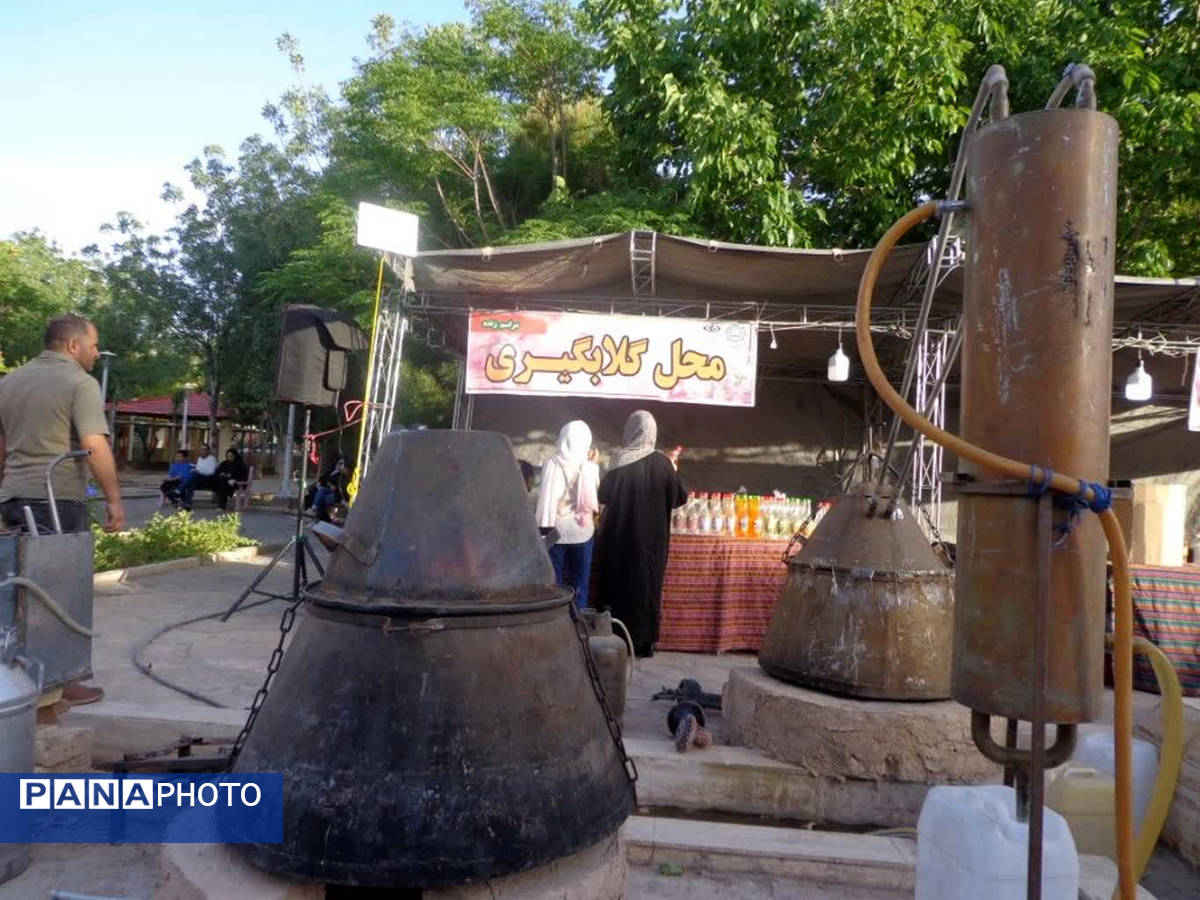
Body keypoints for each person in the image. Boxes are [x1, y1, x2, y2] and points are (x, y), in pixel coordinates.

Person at [0, 313, 126, 705]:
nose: (96, 353)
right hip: (58, 500)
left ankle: (15, 676)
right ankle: (58, 682)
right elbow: (94, 445)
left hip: (13, 497)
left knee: (16, 590)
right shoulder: (80, 383)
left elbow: (1, 447)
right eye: (93, 345)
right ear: (73, 345)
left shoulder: (9, 381)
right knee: (60, 593)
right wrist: (114, 499)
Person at [596, 410, 687, 657]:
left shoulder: (618, 461)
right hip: (652, 543)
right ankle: (644, 644)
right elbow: (680, 498)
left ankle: (616, 640)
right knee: (647, 587)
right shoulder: (663, 464)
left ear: (630, 430)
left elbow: (602, 495)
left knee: (618, 586)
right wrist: (673, 471)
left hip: (619, 539)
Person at [536, 422, 599, 610]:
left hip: (555, 531)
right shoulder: (589, 467)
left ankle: (555, 619)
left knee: (554, 585)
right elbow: (594, 498)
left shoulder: (551, 464)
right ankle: (579, 620)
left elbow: (545, 498)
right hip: (583, 531)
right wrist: (593, 464)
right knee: (580, 584)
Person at [180, 444, 219, 511]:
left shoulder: (212, 459)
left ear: (208, 451)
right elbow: (198, 468)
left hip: (208, 480)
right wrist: (196, 469)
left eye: (205, 449)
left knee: (193, 475)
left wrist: (199, 471)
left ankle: (179, 489)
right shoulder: (199, 459)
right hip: (199, 479)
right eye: (202, 449)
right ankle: (187, 504)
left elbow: (211, 472)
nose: (203, 451)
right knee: (191, 482)